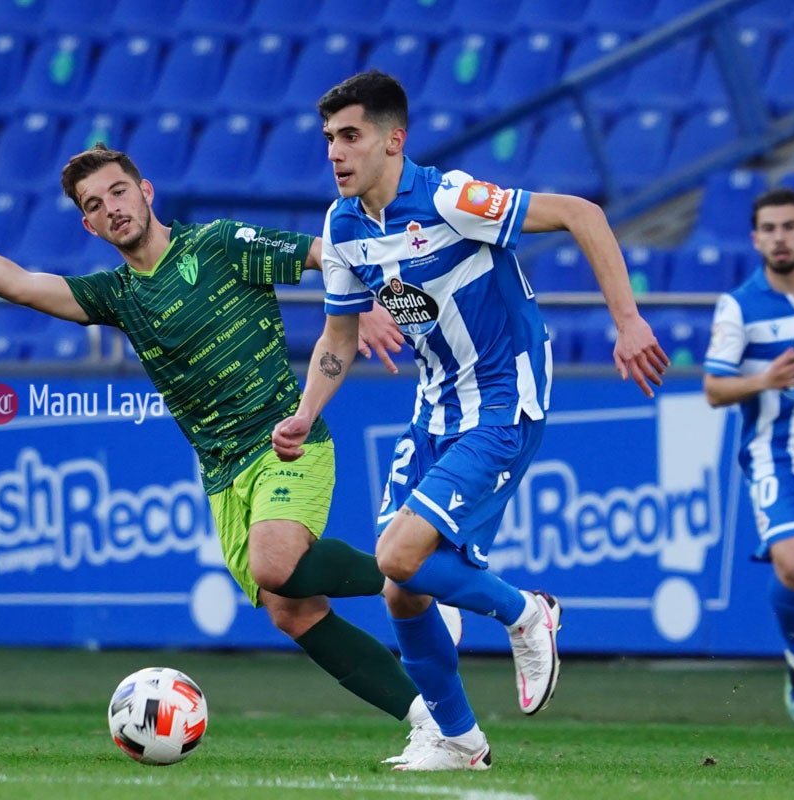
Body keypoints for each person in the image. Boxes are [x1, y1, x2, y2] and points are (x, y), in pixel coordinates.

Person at [0, 143, 455, 764]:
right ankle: (433, 722)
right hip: (221, 472)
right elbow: (25, 286)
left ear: (146, 190)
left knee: (274, 564)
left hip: (284, 440)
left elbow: (323, 253)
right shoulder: (115, 294)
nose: (112, 208)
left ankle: (417, 574)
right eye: (94, 205)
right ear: (88, 224)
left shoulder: (218, 243)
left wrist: (369, 302)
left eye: (118, 192)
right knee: (289, 612)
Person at [272, 70, 669, 771]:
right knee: (401, 587)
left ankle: (526, 612)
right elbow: (339, 338)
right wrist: (305, 414)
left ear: (394, 141)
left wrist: (628, 321)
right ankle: (458, 740)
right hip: (436, 405)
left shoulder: (452, 199)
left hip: (502, 399)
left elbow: (583, 214)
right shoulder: (343, 227)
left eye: (351, 136)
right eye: (330, 138)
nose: (335, 151)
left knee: (398, 556)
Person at [703, 187, 794, 726]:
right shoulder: (740, 306)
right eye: (769, 228)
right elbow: (714, 389)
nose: (779, 237)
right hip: (775, 459)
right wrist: (766, 378)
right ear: (755, 238)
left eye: (789, 227)